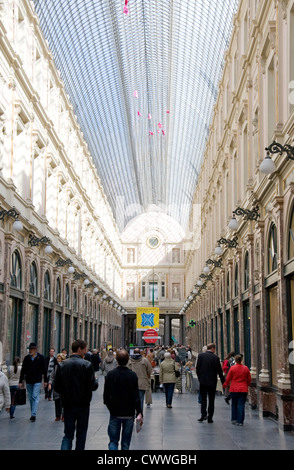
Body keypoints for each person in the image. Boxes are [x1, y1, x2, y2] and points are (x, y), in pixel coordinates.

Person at [54, 339, 98, 450]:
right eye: (85, 349)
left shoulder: (62, 365)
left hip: (68, 404)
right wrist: (95, 381)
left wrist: (65, 392)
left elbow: (57, 387)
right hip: (83, 405)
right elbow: (93, 386)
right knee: (81, 434)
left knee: (68, 435)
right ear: (79, 349)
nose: (86, 352)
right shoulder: (87, 365)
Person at [103, 349, 143, 450]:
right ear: (128, 360)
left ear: (117, 360)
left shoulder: (110, 374)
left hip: (115, 412)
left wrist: (110, 407)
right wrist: (139, 411)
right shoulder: (132, 375)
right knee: (125, 442)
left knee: (113, 441)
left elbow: (106, 395)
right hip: (129, 413)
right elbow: (136, 396)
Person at [196, 343, 225, 423]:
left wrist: (200, 378)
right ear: (213, 348)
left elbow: (197, 368)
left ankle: (203, 415)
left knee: (203, 398)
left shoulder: (201, 356)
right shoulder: (215, 358)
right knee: (211, 400)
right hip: (212, 382)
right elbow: (220, 371)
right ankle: (210, 417)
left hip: (203, 381)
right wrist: (223, 382)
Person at [18, 342, 47, 422]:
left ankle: (33, 414)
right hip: (29, 380)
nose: (30, 351)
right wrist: (20, 381)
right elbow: (23, 370)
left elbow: (44, 369)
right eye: (29, 349)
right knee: (31, 397)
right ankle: (32, 412)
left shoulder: (41, 358)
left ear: (35, 349)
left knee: (35, 396)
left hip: (37, 380)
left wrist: (45, 381)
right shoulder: (27, 358)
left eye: (31, 349)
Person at [222, 354, 251, 426]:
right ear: (241, 360)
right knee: (241, 405)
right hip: (243, 389)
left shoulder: (232, 368)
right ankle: (240, 421)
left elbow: (228, 378)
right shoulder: (246, 368)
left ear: (235, 360)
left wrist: (224, 385)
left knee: (234, 404)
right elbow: (249, 379)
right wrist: (246, 384)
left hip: (234, 389)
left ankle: (234, 419)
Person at [128, 348, 152, 413]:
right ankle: (139, 413)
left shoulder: (129, 361)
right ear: (140, 352)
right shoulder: (145, 360)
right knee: (141, 398)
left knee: (131, 398)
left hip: (131, 382)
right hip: (142, 382)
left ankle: (132, 413)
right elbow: (149, 370)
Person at [48, 353, 66, 421]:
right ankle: (58, 415)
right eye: (58, 358)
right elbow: (52, 376)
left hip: (64, 386)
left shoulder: (65, 366)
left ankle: (63, 415)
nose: (58, 360)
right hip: (57, 386)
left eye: (59, 358)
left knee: (63, 401)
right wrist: (50, 383)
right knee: (57, 401)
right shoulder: (55, 367)